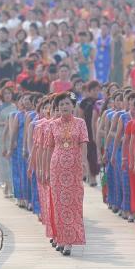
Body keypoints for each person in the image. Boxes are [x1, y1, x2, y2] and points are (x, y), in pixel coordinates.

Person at [47, 92, 90, 256]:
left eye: (67, 104)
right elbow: (50, 147)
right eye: (61, 105)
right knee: (59, 203)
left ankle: (70, 240)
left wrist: (83, 162)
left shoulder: (80, 123)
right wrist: (45, 168)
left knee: (73, 203)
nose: (64, 107)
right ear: (57, 108)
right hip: (57, 166)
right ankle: (61, 238)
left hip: (74, 165)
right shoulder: (53, 124)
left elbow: (83, 144)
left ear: (73, 106)